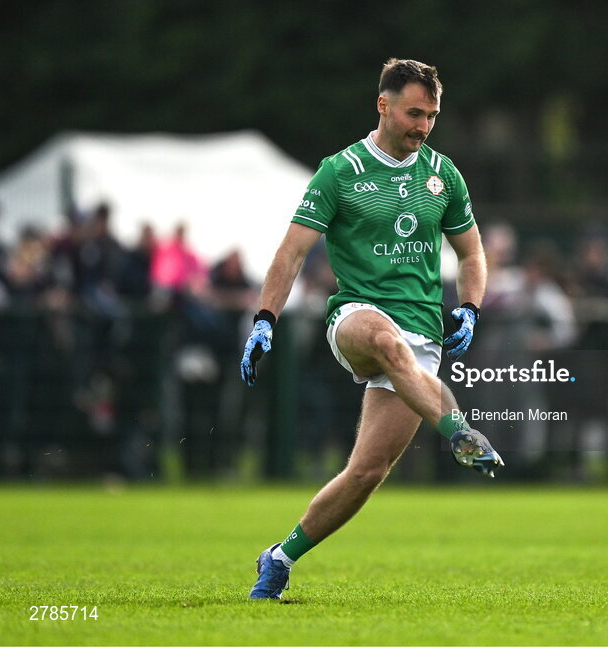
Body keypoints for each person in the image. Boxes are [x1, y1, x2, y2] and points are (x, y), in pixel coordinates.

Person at [240, 58, 504, 600]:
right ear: (383, 105)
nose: (423, 126)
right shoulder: (340, 171)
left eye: (431, 116)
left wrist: (471, 307)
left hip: (422, 338)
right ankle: (460, 433)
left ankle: (280, 556)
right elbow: (291, 254)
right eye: (413, 113)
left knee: (366, 473)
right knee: (385, 341)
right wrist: (265, 320)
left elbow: (472, 252)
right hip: (355, 317)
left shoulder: (443, 174)